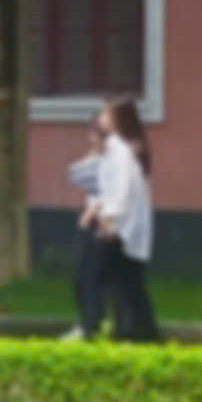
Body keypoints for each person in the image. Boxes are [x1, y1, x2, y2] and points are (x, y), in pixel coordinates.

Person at [83, 96, 160, 344]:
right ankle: (136, 331)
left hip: (120, 228)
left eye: (107, 113)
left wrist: (108, 217)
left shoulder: (121, 149)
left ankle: (102, 328)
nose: (102, 117)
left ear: (117, 119)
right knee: (126, 283)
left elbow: (121, 190)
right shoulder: (121, 147)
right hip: (124, 227)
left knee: (97, 278)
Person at [63, 114, 109, 340]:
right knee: (83, 278)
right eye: (92, 134)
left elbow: (112, 193)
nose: (93, 140)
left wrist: (93, 211)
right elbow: (75, 174)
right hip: (90, 222)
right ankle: (90, 323)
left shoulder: (114, 162)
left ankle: (92, 325)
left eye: (99, 135)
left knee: (92, 278)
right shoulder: (95, 160)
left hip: (105, 224)